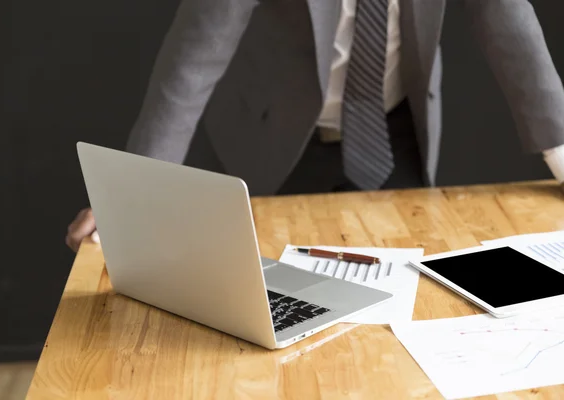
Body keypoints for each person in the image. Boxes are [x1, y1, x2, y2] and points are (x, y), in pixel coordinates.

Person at [66, 0, 564, 252]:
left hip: (396, 132)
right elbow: (195, 53)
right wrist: (131, 195)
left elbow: (507, 19)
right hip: (271, 136)